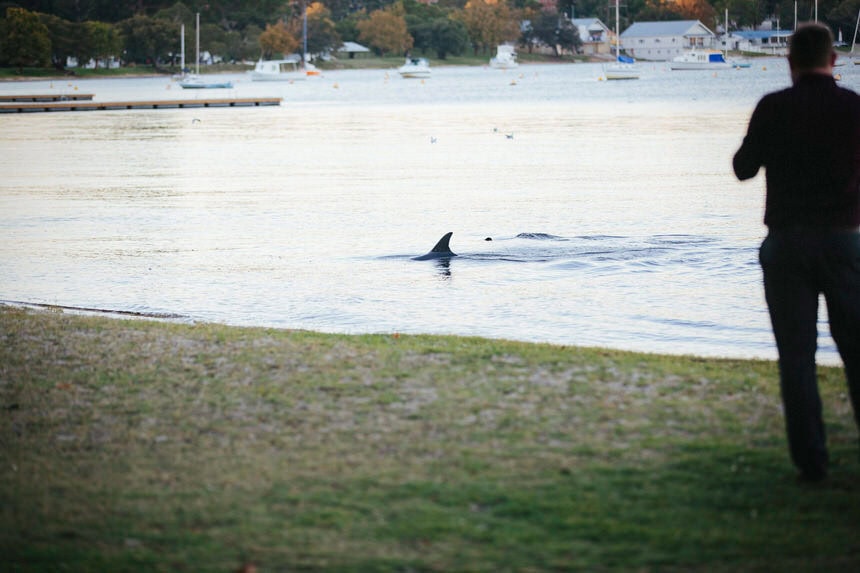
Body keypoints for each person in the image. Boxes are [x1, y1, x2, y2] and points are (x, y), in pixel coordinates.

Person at [733, 22, 860, 482]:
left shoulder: (773, 107)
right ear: (834, 60)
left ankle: (812, 462)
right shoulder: (854, 108)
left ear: (788, 62)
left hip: (787, 245)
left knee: (797, 356)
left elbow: (742, 169)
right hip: (846, 241)